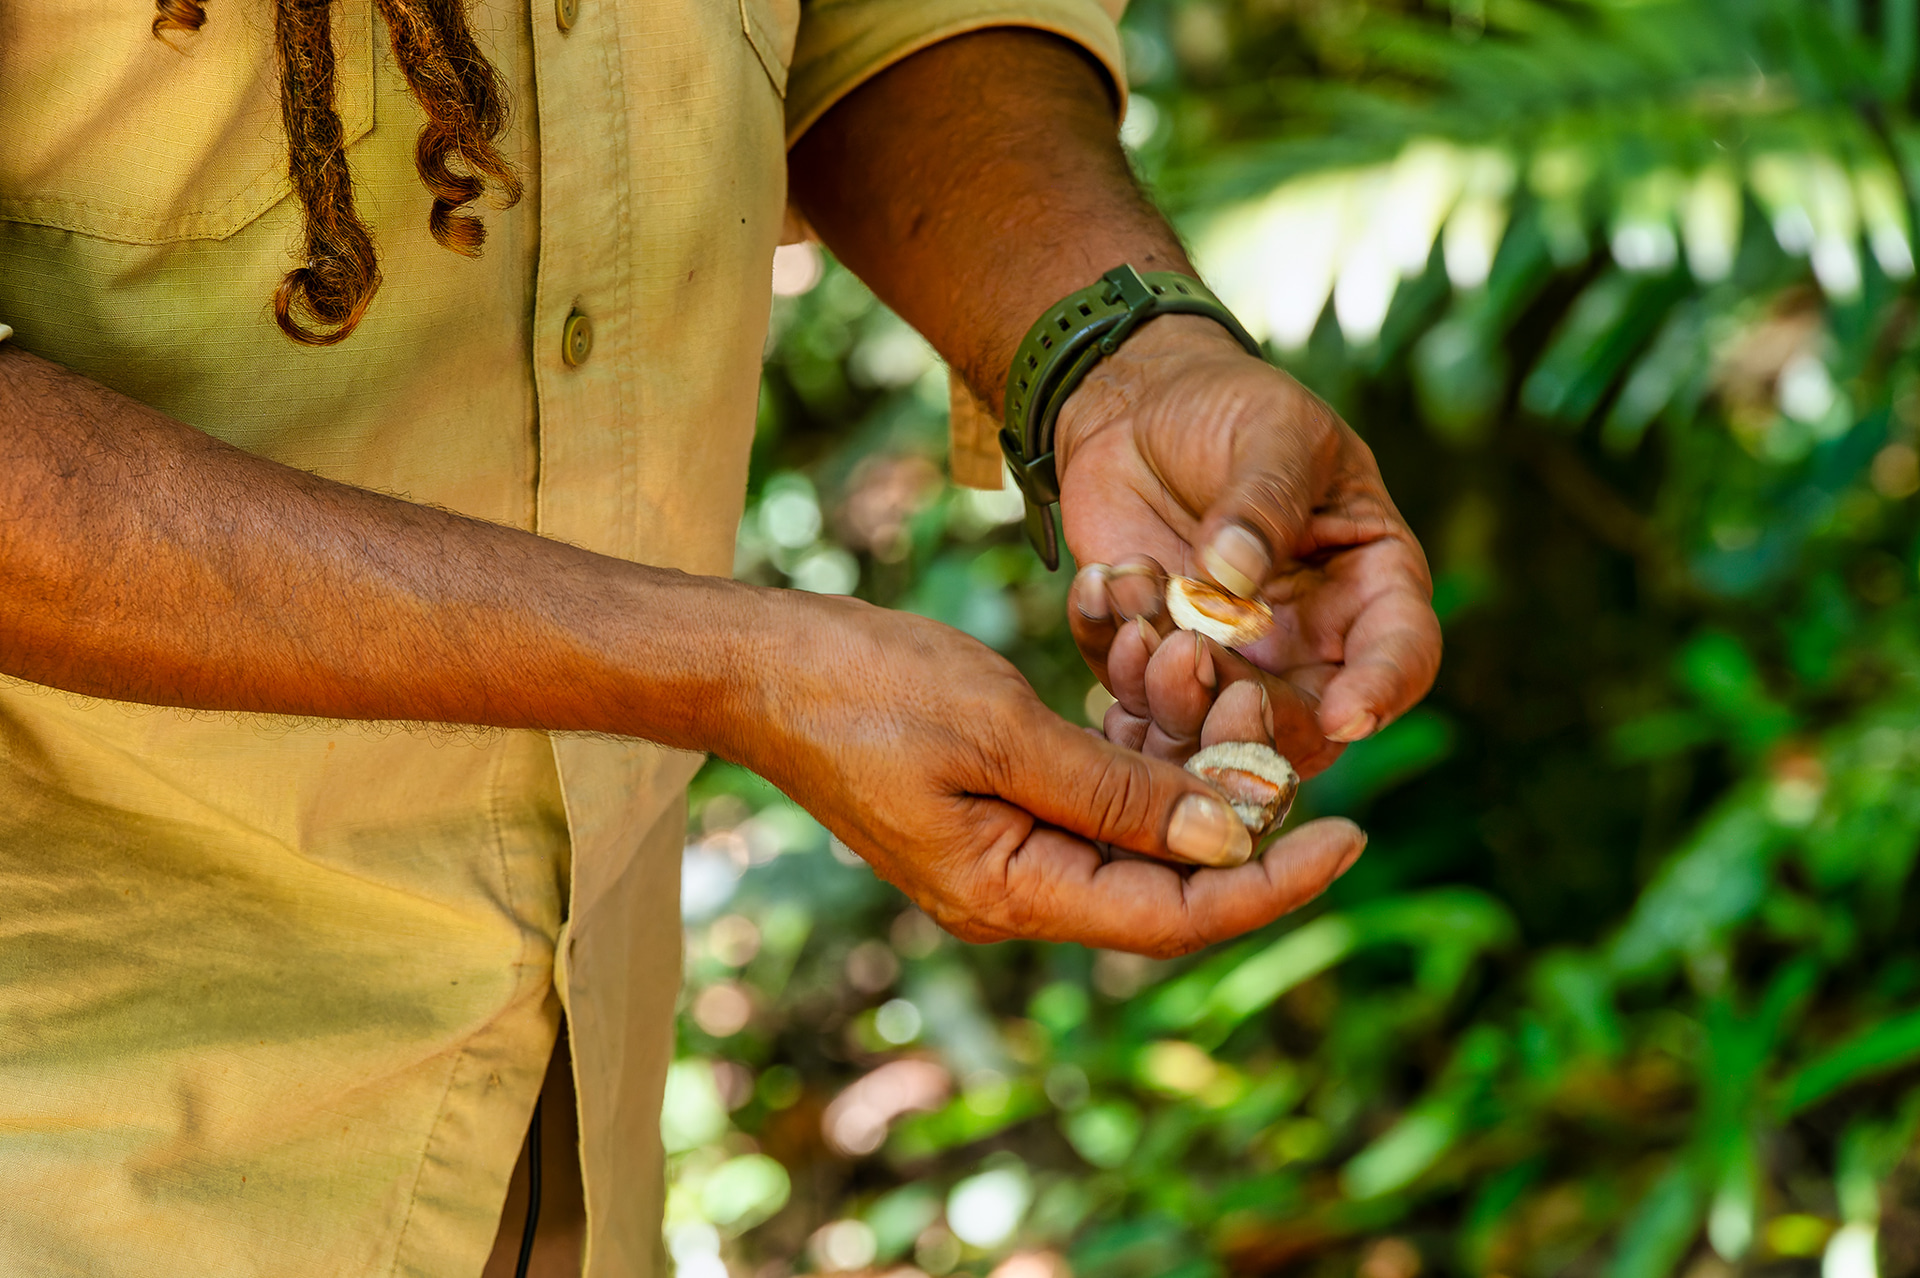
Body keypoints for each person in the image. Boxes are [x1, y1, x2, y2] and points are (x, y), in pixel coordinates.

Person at [0, 0, 1441, 1270]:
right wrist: (722, 667)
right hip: (79, 1143)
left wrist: (1109, 352)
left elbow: (878, 20)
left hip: (573, 1090)